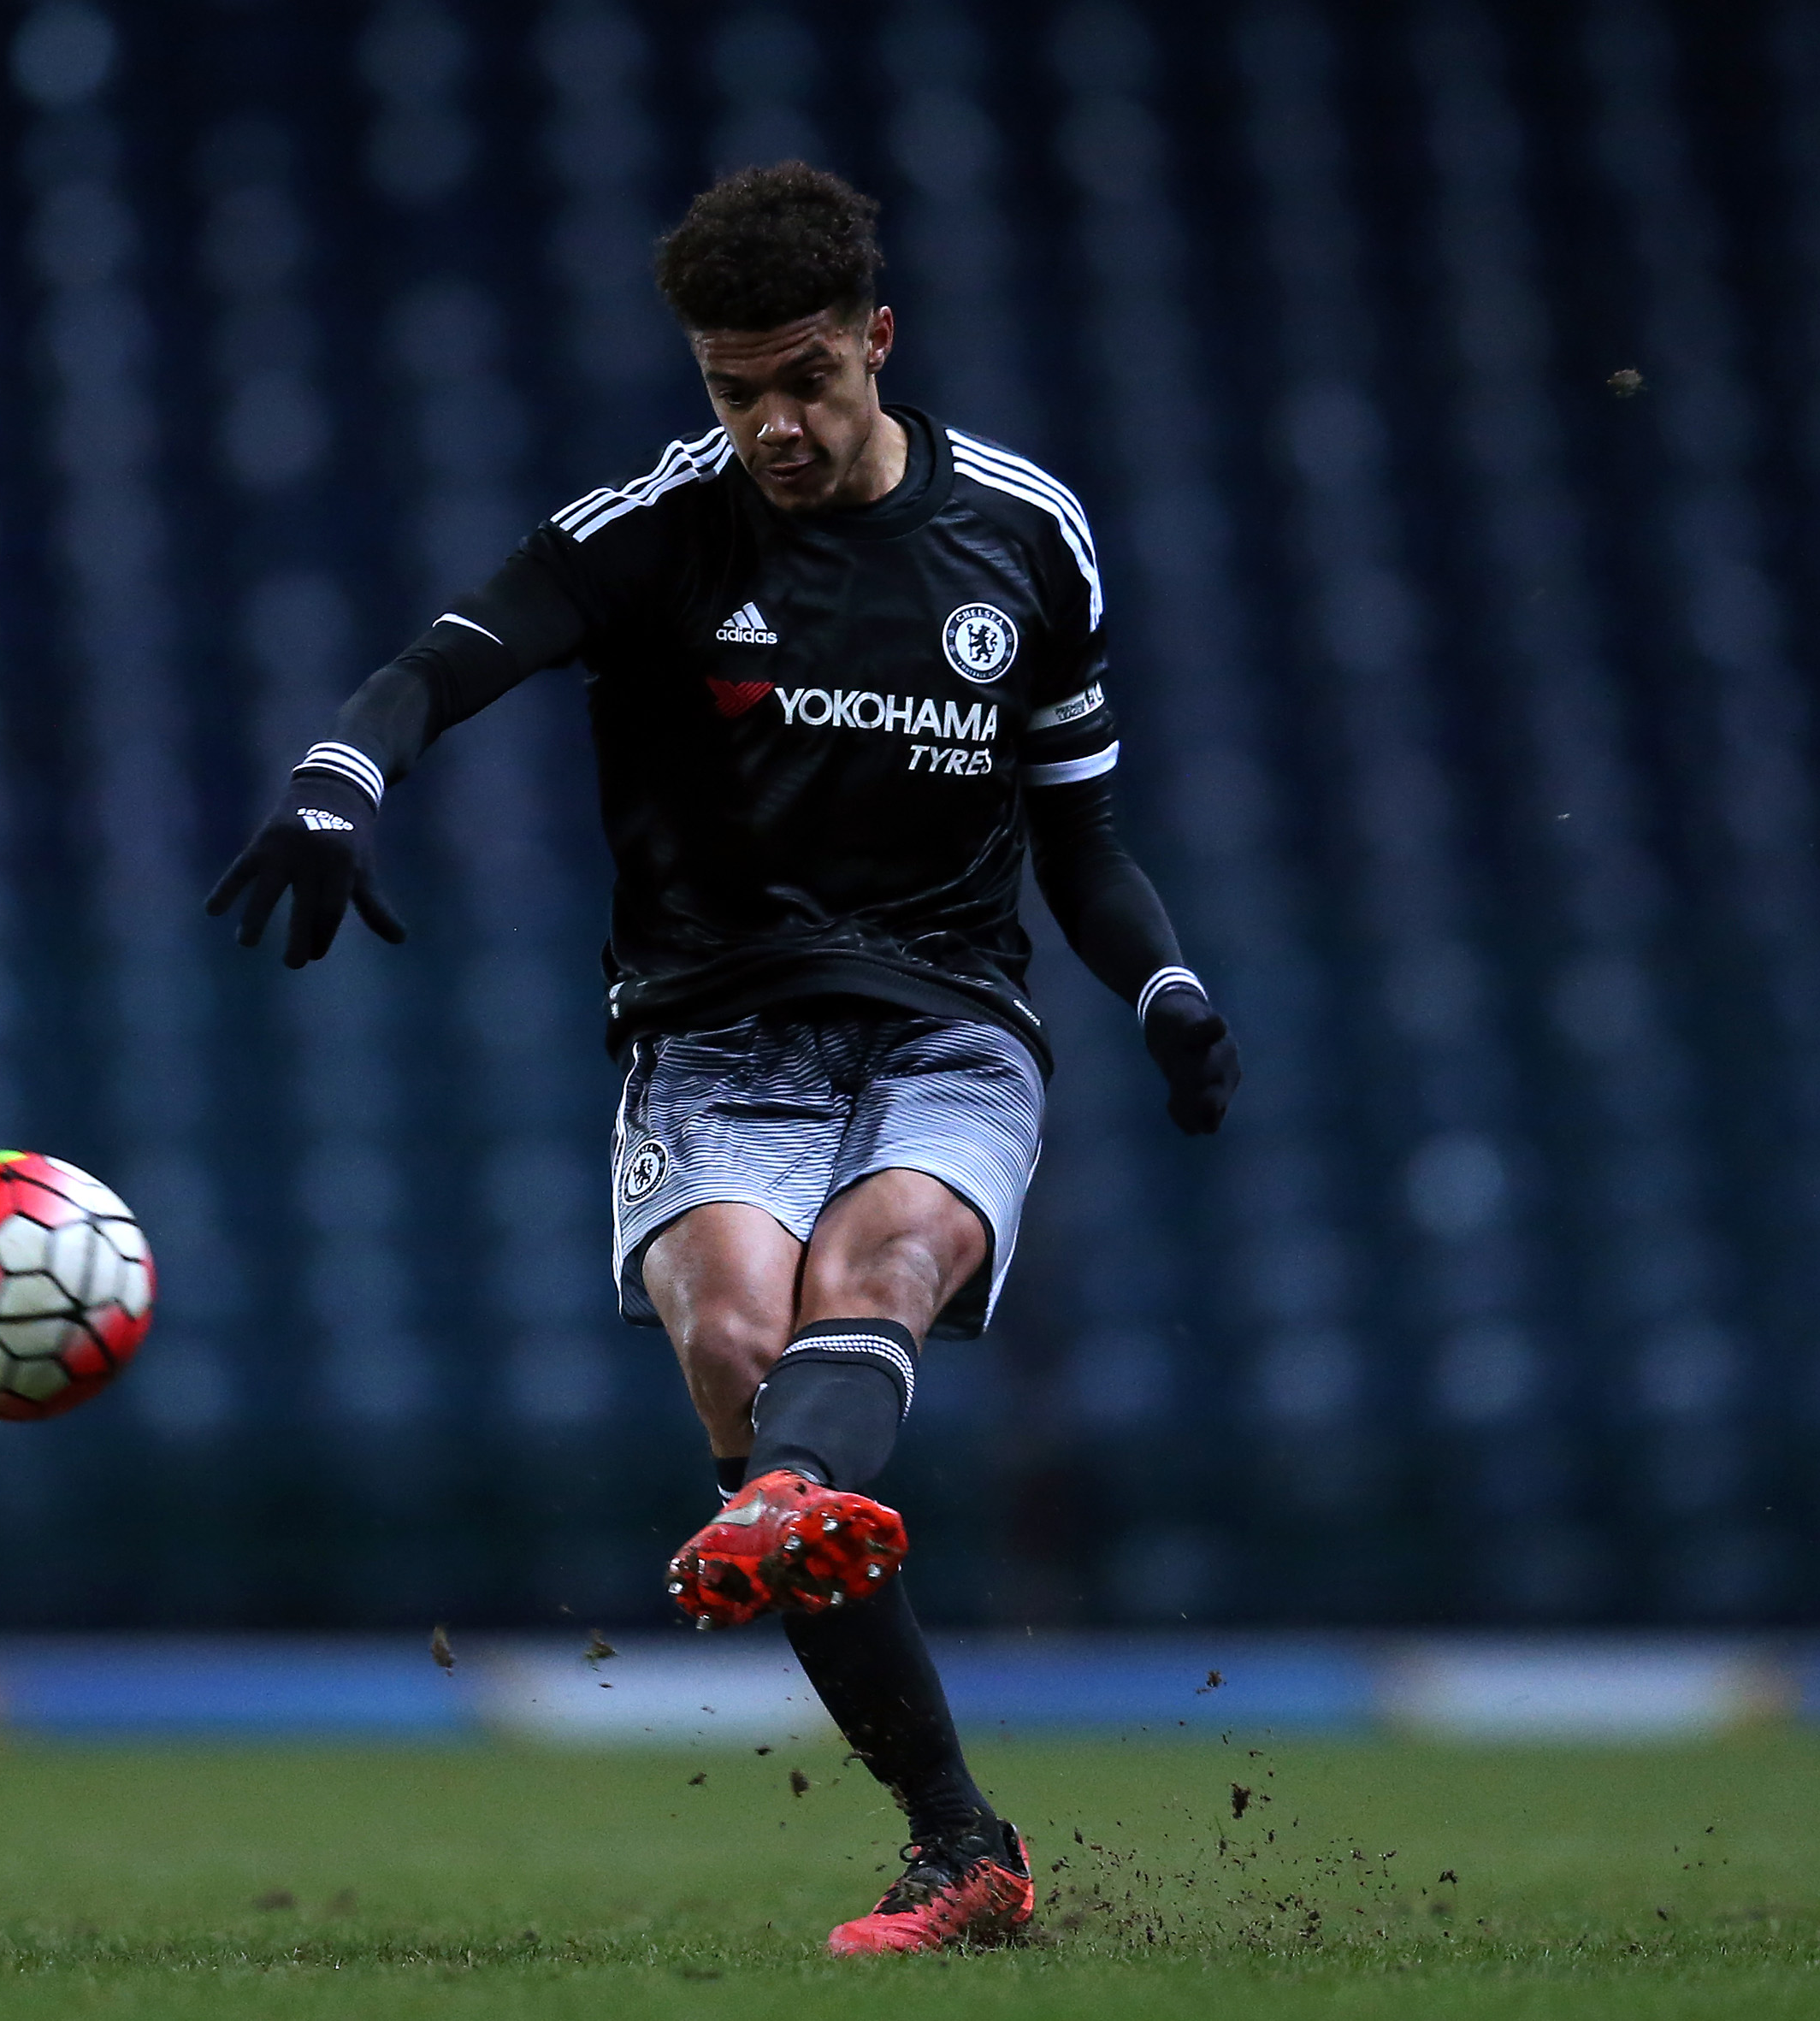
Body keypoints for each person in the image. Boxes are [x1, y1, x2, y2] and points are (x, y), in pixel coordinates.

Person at [210, 162, 1237, 1956]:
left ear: (877, 342)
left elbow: (1081, 831)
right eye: (730, 387)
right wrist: (336, 778)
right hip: (714, 1025)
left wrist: (1161, 986)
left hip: (948, 1015)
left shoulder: (1024, 533)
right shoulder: (654, 530)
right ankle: (964, 1841)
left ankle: (785, 1502)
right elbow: (441, 662)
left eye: (805, 380)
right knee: (745, 1336)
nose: (769, 423)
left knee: (885, 1267)